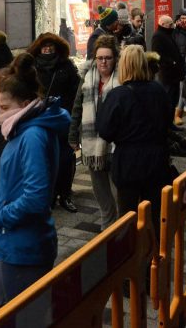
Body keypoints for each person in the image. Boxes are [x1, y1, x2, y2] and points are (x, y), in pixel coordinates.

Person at [0, 54, 70, 308]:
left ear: (24, 103)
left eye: (4, 107)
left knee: (16, 314)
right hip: (17, 242)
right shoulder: (25, 128)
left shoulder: (31, 135)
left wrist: (0, 217)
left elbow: (36, 197)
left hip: (21, 246)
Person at [96, 45, 172, 235]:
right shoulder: (159, 91)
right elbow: (168, 122)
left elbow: (105, 130)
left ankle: (130, 258)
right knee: (155, 214)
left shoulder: (118, 95)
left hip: (128, 161)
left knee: (128, 216)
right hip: (157, 159)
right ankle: (155, 257)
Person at [69, 35, 120, 230]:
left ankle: (121, 226)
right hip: (92, 144)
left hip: (116, 145)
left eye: (108, 57)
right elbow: (77, 107)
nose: (104, 62)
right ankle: (107, 225)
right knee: (100, 191)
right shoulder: (88, 78)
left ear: (115, 58)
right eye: (100, 58)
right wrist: (73, 135)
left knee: (118, 191)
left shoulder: (122, 78)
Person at [27, 33, 80, 213]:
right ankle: (48, 197)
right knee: (45, 160)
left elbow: (76, 91)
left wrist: (73, 115)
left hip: (63, 119)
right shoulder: (32, 68)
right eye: (44, 46)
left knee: (65, 160)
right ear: (38, 48)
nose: (48, 49)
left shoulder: (66, 66)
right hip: (41, 121)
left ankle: (65, 194)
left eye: (51, 46)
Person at [150, 15, 185, 128]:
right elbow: (158, 54)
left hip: (174, 74)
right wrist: (172, 62)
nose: (172, 26)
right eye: (170, 24)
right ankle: (166, 125)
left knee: (173, 101)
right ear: (163, 24)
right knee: (167, 101)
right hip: (167, 74)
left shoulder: (167, 34)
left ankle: (170, 123)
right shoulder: (158, 36)